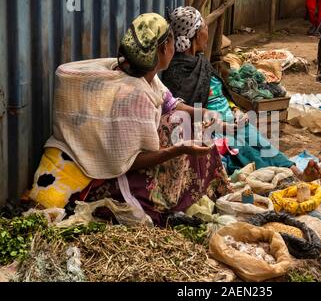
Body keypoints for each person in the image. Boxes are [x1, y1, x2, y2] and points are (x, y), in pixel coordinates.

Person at [29, 13, 231, 226]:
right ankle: (168, 199)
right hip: (113, 173)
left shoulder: (133, 71)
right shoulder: (136, 94)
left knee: (185, 121)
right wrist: (178, 150)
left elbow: (169, 102)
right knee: (179, 128)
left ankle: (204, 188)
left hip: (113, 154)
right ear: (164, 49)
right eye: (171, 42)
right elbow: (129, 161)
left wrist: (203, 114)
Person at [161, 6, 321, 181]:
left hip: (232, 121)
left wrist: (234, 109)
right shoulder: (176, 73)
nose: (207, 31)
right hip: (211, 130)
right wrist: (222, 125)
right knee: (246, 151)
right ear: (194, 34)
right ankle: (286, 179)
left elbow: (221, 95)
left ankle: (296, 172)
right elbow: (185, 118)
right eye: (204, 28)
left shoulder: (201, 61)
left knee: (262, 142)